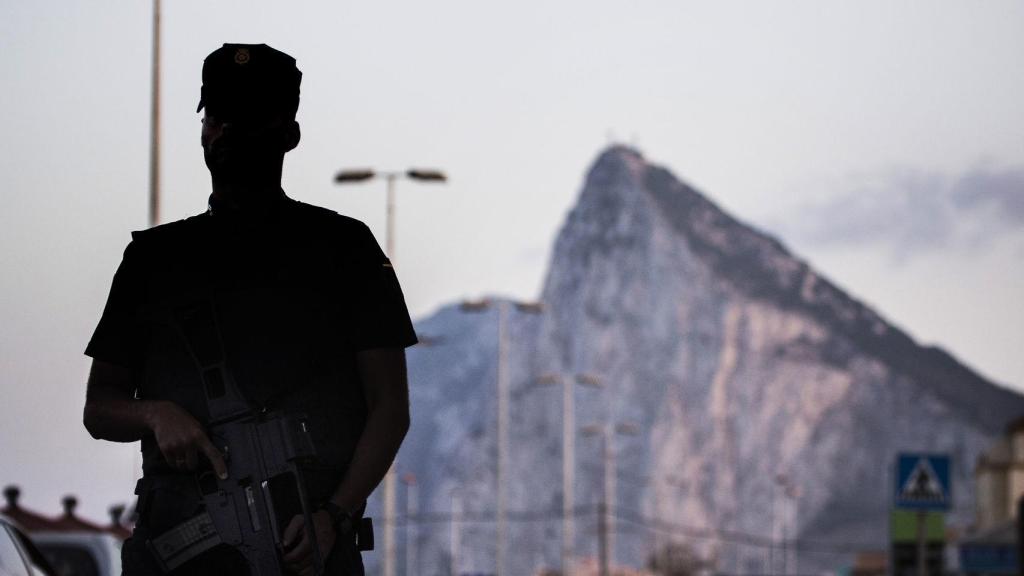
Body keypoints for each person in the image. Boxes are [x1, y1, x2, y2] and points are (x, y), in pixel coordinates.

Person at [82, 43, 417, 576]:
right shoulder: (154, 261)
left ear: (288, 135)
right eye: (218, 117)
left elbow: (390, 407)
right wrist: (155, 414)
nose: (227, 133)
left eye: (248, 120)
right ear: (204, 130)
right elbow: (98, 407)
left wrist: (334, 514)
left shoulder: (345, 249)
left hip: (306, 549)